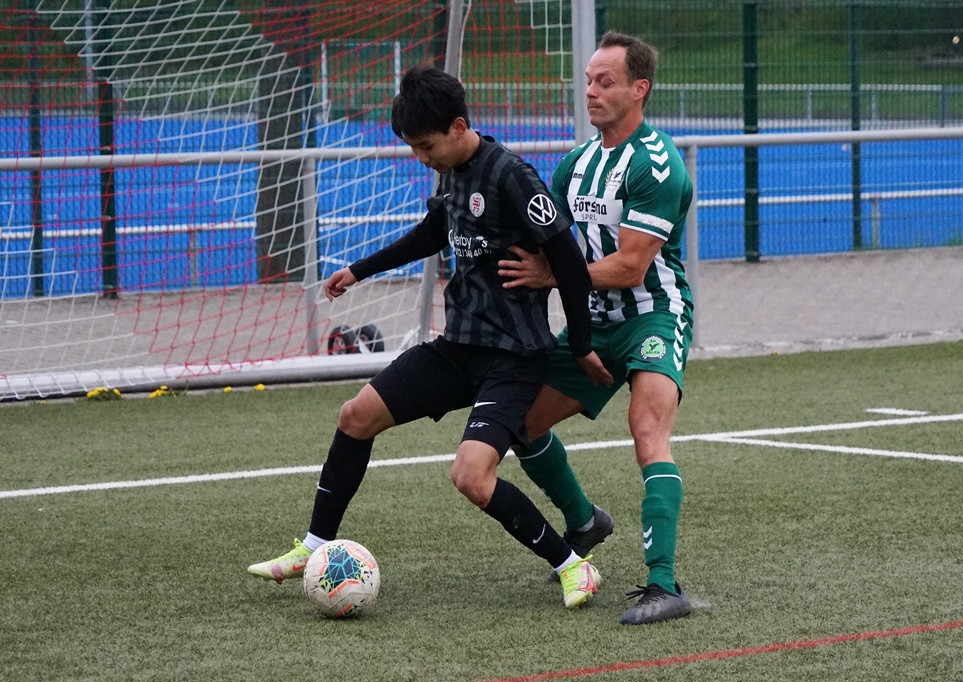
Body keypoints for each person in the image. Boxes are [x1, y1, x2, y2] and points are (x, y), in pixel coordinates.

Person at [248, 64, 613, 609]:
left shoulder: (512, 176)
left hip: (514, 357)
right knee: (355, 416)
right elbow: (432, 233)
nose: (421, 157)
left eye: (426, 146)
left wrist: (580, 343)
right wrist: (359, 270)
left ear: (459, 126)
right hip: (458, 347)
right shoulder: (452, 171)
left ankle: (573, 566)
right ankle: (316, 545)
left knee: (470, 476)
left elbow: (569, 258)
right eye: (414, 147)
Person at [498, 31, 695, 625]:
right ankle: (585, 520)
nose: (590, 91)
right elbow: (546, 244)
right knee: (522, 425)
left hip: (653, 315)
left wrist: (551, 276)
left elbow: (630, 266)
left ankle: (664, 584)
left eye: (605, 82)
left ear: (640, 89)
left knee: (646, 430)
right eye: (587, 81)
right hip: (595, 321)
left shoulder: (656, 163)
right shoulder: (576, 164)